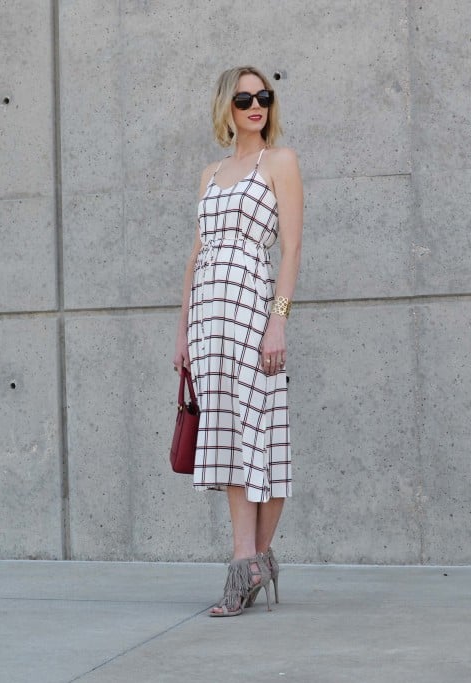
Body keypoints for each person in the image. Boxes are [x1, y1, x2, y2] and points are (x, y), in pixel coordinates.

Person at [172, 66, 304, 617]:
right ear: (227, 106)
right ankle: (245, 561)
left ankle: (254, 561)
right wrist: (182, 329)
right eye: (245, 98)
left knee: (264, 437)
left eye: (264, 97)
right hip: (208, 321)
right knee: (227, 439)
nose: (256, 105)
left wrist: (279, 321)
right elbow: (197, 255)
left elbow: (291, 251)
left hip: (254, 314)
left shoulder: (280, 163)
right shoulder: (210, 173)